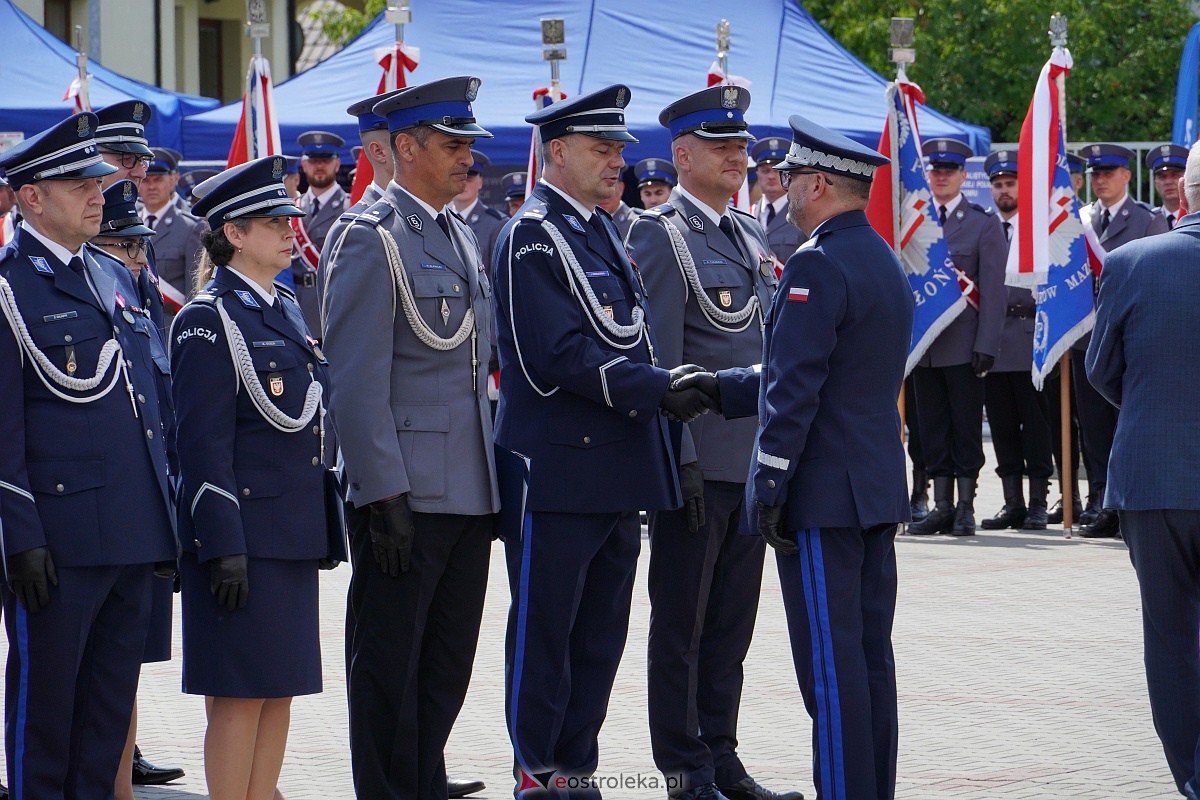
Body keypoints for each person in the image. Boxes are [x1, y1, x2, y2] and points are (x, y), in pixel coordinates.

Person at [685, 113, 912, 800]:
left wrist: (770, 486)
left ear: (819, 185)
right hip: (871, 487)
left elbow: (795, 389)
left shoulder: (817, 262)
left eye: (790, 179)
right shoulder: (881, 257)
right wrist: (721, 388)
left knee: (831, 671)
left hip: (822, 494)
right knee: (869, 660)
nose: (780, 190)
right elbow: (832, 371)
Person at [493, 83, 711, 796]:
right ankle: (537, 771)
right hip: (561, 464)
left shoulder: (600, 229)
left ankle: (577, 766)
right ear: (557, 152)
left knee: (600, 633)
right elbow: (554, 355)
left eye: (619, 148)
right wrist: (658, 388)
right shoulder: (532, 235)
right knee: (547, 630)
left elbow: (628, 335)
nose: (617, 160)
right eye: (602, 148)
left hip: (618, 461)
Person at [322, 77, 500, 800]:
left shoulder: (458, 233)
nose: (466, 157)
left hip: (468, 487)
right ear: (406, 147)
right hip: (406, 493)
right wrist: (381, 492)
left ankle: (424, 784)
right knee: (389, 672)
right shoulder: (371, 238)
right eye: (452, 144)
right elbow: (353, 379)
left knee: (445, 669)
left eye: (467, 144)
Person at [625, 85, 799, 800]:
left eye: (742, 146)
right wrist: (682, 462)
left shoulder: (749, 233)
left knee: (731, 627)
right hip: (696, 466)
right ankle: (684, 768)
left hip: (748, 463)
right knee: (682, 628)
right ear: (682, 155)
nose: (737, 157)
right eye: (721, 145)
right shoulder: (660, 234)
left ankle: (722, 755)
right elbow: (663, 366)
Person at [0, 111, 177, 800]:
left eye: (97, 181)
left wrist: (164, 520)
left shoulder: (112, 274)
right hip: (59, 540)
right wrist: (20, 538)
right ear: (31, 197)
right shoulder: (10, 287)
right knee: (47, 721)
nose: (98, 194)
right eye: (79, 184)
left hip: (131, 532)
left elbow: (146, 406)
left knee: (105, 725)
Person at [172, 156, 336, 800]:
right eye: (274, 223)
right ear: (235, 235)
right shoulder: (207, 319)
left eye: (289, 220)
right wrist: (222, 544)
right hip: (241, 536)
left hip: (288, 530)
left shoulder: (284, 307)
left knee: (279, 690)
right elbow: (201, 445)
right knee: (239, 694)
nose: (291, 231)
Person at [1085, 142, 1200, 799]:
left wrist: (1154, 408)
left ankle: (1190, 775)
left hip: (1153, 479)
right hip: (1157, 475)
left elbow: (1101, 370)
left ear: (1185, 194)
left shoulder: (1131, 261)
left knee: (1170, 635)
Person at [94, 98, 188, 788]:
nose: (134, 171)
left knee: (126, 638)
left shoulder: (134, 242)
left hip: (141, 468)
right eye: (122, 160)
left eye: (140, 161)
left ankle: (123, 750)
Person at [905, 137, 1006, 536]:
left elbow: (994, 291)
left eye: (949, 171)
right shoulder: (915, 220)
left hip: (965, 346)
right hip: (924, 345)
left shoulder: (982, 222)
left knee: (965, 428)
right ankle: (941, 505)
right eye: (936, 171)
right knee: (930, 428)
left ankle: (965, 506)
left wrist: (987, 344)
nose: (941, 177)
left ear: (964, 176)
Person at [1073, 143, 1169, 537]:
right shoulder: (1078, 221)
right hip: (1087, 337)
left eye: (1108, 173)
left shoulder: (1147, 220)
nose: (1100, 180)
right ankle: (1099, 500)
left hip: (1130, 340)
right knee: (1092, 424)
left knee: (1125, 423)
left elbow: (1158, 279)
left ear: (1127, 176)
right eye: (1095, 174)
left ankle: (1123, 503)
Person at [978, 150, 1053, 531]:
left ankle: (1039, 501)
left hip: (1029, 337)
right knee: (1003, 425)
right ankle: (1013, 503)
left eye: (1010, 183)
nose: (1004, 190)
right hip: (993, 339)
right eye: (998, 184)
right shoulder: (986, 226)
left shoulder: (1039, 229)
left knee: (1036, 425)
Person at [292, 131, 346, 334]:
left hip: (334, 303)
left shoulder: (351, 207)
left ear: (337, 164)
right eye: (313, 161)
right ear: (304, 165)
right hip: (296, 305)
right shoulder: (292, 209)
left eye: (326, 160)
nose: (319, 166)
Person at [141, 147, 204, 314]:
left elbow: (194, 289)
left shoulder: (190, 227)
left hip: (170, 321)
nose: (152, 186)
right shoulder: (127, 224)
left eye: (158, 180)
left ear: (172, 181)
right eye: (146, 180)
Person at [451, 148, 507, 271]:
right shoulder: (440, 219)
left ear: (480, 182)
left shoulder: (496, 224)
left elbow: (497, 275)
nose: (463, 184)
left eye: (469, 179)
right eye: (459, 178)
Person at [750, 137, 801, 263]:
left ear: (788, 175)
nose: (771, 176)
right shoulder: (749, 213)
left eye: (778, 171)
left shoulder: (802, 212)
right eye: (765, 171)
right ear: (757, 174)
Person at [1147, 143, 1188, 229]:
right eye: (1162, 177)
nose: (1168, 182)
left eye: (1175, 175)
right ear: (1155, 182)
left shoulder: (1196, 219)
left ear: (1187, 178)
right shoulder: (1146, 221)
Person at [596, 170, 641, 240]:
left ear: (621, 188)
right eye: (599, 191)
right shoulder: (590, 221)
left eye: (609, 189)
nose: (604, 197)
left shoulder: (637, 222)